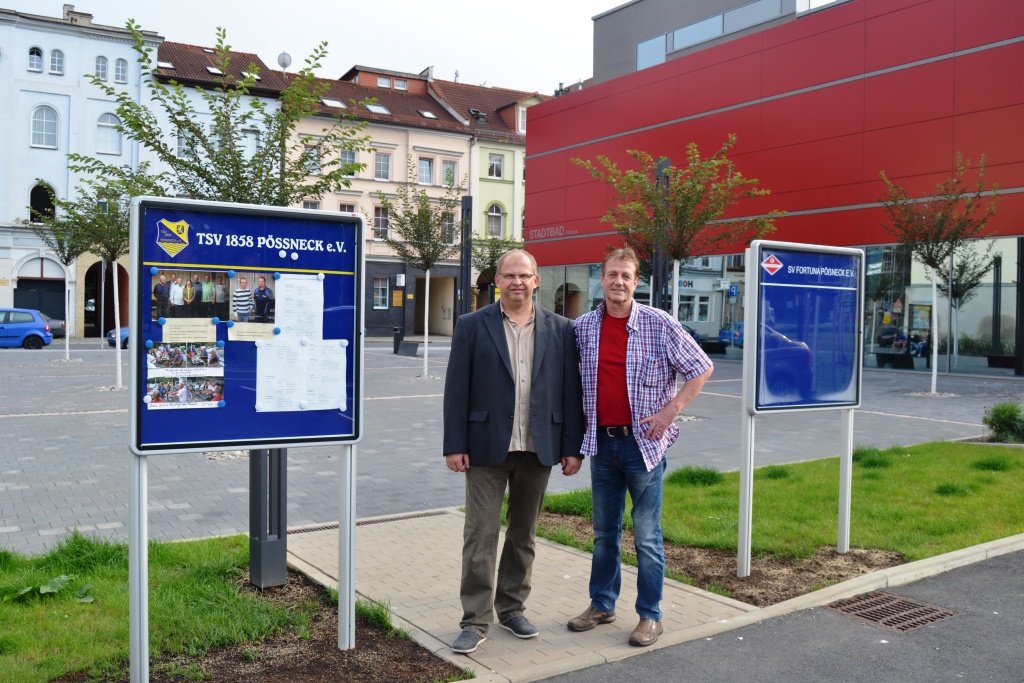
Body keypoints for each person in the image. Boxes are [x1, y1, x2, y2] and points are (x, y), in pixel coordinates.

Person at [567, 247, 713, 648]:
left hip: (643, 447)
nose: (619, 282)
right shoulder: (582, 328)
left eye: (626, 276)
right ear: (602, 278)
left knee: (646, 536)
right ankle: (602, 604)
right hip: (602, 444)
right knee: (603, 534)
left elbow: (701, 367)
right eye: (612, 274)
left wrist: (671, 411)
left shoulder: (659, 323)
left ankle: (651, 616)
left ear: (636, 281)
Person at [442, 248, 585, 655]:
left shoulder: (562, 329)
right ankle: (474, 620)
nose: (518, 282)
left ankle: (512, 608)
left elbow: (570, 393)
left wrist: (572, 447)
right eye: (510, 275)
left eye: (525, 275)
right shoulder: (472, 325)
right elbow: (456, 388)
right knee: (480, 535)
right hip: (486, 446)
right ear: (498, 282)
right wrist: (454, 444)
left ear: (537, 280)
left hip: (539, 445)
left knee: (524, 535)